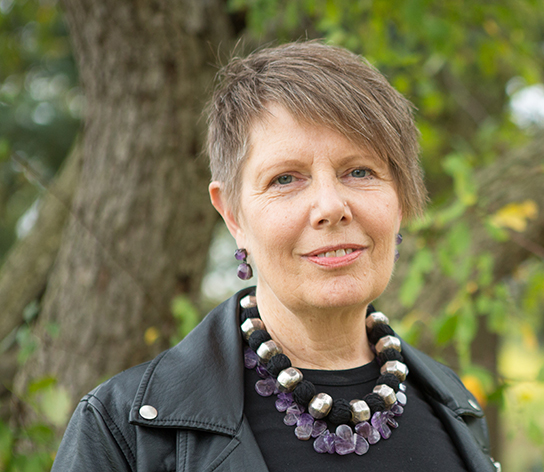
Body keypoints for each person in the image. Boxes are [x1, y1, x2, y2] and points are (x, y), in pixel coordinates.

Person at [52, 41, 498, 472]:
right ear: (232, 214)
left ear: (399, 199)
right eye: (286, 179)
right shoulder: (123, 431)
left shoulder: (457, 409)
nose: (329, 207)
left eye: (359, 171)